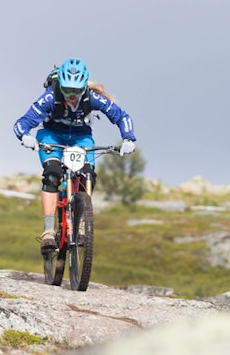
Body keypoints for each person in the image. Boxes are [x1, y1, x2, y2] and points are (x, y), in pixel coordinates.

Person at [13, 57, 137, 252]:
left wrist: (128, 138)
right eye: (67, 90)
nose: (71, 95)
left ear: (84, 88)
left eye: (76, 91)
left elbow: (122, 116)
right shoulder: (49, 97)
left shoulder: (92, 98)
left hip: (80, 137)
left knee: (88, 175)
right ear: (60, 86)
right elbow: (22, 122)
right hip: (52, 135)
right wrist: (25, 136)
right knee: (52, 174)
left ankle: (80, 222)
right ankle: (48, 231)